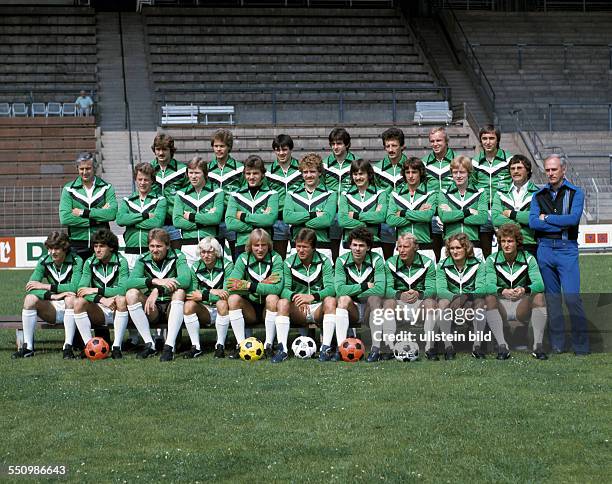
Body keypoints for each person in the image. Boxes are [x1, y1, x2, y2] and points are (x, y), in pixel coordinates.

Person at [529, 154, 589, 355]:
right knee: (553, 299)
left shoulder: (576, 193)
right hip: (544, 249)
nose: (550, 173)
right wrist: (552, 220)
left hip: (567, 249)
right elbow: (533, 222)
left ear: (564, 170)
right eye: (547, 170)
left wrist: (547, 218)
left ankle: (581, 345)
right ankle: (557, 345)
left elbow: (572, 220)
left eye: (554, 169)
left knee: (572, 298)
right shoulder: (538, 195)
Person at [13, 232, 83, 359]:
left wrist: (46, 286)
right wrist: (52, 296)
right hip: (52, 308)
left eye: (56, 248)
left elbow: (75, 287)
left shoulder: (77, 261)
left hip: (74, 308)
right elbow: (31, 287)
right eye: (50, 248)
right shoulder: (44, 261)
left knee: (70, 298)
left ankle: (67, 347)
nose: (52, 252)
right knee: (29, 299)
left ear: (65, 248)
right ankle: (28, 347)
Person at [125, 228, 191, 361]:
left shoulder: (178, 256)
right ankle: (150, 344)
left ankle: (169, 346)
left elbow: (185, 280)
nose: (155, 250)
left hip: (171, 305)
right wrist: (154, 281)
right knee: (131, 294)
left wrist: (159, 289)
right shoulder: (143, 259)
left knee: (179, 292)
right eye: (152, 246)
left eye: (159, 246)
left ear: (167, 245)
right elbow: (129, 283)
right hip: (152, 307)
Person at [484, 224, 548, 360]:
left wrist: (524, 289)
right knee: (489, 298)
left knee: (539, 296)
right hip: (501, 305)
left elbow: (540, 284)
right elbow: (488, 285)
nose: (506, 245)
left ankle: (538, 346)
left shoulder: (528, 258)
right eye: (503, 241)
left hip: (521, 304)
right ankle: (502, 346)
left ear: (517, 242)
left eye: (510, 241)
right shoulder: (491, 259)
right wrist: (503, 291)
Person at [273, 228, 336, 363]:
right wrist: (297, 297)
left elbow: (331, 289)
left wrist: (312, 297)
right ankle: (282, 349)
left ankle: (325, 348)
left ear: (313, 248)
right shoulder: (288, 262)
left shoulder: (324, 261)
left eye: (305, 247)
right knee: (282, 302)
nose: (301, 250)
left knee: (330, 301)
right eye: (298, 246)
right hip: (298, 309)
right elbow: (284, 289)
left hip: (318, 307)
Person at [375, 233, 437, 361]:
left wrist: (419, 294)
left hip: (420, 304)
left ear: (415, 247)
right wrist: (399, 295)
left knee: (431, 303)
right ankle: (389, 347)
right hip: (400, 306)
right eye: (399, 247)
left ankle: (429, 347)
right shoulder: (390, 263)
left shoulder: (428, 263)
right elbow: (386, 289)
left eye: (406, 247)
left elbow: (432, 289)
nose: (402, 250)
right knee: (388, 303)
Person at [71, 229, 129, 359]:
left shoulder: (122, 261)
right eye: (95, 246)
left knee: (121, 299)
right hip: (99, 309)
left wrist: (97, 290)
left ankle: (116, 348)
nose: (97, 250)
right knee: (78, 302)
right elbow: (81, 290)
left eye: (102, 246)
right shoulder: (89, 262)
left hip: (118, 309)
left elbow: (123, 289)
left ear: (112, 248)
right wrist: (102, 299)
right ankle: (88, 347)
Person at [225, 229, 284, 358]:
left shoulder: (276, 258)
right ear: (250, 246)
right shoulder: (243, 258)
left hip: (268, 308)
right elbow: (229, 286)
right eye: (256, 245)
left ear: (269, 245)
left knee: (273, 297)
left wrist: (248, 284)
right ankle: (240, 345)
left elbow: (277, 288)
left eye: (263, 245)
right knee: (233, 299)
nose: (260, 249)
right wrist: (262, 285)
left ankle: (268, 345)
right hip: (249, 308)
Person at [330, 228, 386, 362]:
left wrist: (353, 291)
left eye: (361, 245)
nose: (357, 249)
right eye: (354, 245)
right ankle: (341, 349)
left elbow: (380, 289)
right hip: (352, 309)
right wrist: (364, 286)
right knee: (343, 300)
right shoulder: (341, 261)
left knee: (375, 299)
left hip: (369, 308)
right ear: (349, 245)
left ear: (368, 247)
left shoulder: (377, 260)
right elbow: (339, 290)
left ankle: (375, 350)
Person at [436, 234, 487, 359]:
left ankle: (477, 346)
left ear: (466, 248)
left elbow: (482, 288)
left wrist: (466, 296)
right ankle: (448, 347)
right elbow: (440, 290)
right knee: (442, 302)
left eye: (458, 248)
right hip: (451, 305)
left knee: (480, 302)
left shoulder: (478, 264)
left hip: (469, 304)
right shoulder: (442, 265)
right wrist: (456, 298)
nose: (455, 251)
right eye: (452, 248)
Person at [59, 151, 117, 260]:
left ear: (94, 168)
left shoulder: (106, 188)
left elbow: (112, 214)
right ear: (77, 168)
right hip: (77, 243)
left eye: (88, 168)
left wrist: (82, 213)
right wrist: (97, 219)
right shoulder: (68, 189)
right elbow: (65, 218)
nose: (85, 172)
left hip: (101, 243)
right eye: (81, 169)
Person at [183, 237, 233, 359]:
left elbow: (228, 293)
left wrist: (203, 295)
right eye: (203, 252)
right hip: (204, 309)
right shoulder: (195, 267)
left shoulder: (227, 265)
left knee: (222, 303)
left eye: (210, 252)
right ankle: (196, 347)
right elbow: (191, 294)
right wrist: (211, 291)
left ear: (216, 252)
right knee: (188, 305)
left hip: (224, 309)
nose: (206, 255)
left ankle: (220, 345)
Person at [172, 156, 224, 266]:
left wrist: (191, 216)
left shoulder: (217, 192)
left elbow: (216, 218)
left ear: (205, 174)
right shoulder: (180, 194)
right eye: (190, 173)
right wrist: (205, 220)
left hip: (211, 246)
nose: (193, 176)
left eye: (197, 173)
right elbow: (177, 221)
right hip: (188, 246)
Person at [283, 153, 337, 256]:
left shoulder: (330, 194)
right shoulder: (291, 194)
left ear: (319, 172)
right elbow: (287, 217)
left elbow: (327, 220)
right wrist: (314, 215)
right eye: (305, 172)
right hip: (297, 248)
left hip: (322, 248)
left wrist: (299, 222)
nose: (308, 175)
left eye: (312, 171)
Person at [116, 162, 167, 269]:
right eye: (140, 179)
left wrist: (132, 221)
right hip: (130, 253)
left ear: (152, 181)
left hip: (151, 253)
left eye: (146, 180)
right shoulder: (127, 200)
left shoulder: (160, 200)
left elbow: (157, 222)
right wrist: (145, 216)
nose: (142, 183)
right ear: (135, 179)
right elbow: (120, 220)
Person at [225, 155, 279, 257]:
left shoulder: (272, 194)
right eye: (248, 173)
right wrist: (260, 223)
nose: (251, 177)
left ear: (262, 174)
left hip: (264, 246)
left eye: (255, 173)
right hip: (242, 245)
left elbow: (269, 220)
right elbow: (230, 223)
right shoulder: (235, 195)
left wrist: (243, 217)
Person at [472, 125, 513, 258]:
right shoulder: (475, 162)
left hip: (501, 211)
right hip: (483, 211)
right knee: (485, 253)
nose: (488, 142)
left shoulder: (509, 160)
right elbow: (472, 186)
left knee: (505, 251)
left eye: (491, 138)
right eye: (484, 138)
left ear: (498, 140)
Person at [386, 157, 438, 261]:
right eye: (407, 172)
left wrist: (403, 213)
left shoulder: (431, 193)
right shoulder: (395, 195)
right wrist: (418, 214)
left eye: (414, 172)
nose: (410, 176)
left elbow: (427, 217)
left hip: (424, 247)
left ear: (420, 173)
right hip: (401, 248)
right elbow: (390, 220)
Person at [438, 155, 487, 259]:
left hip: (474, 245)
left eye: (462, 172)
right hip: (450, 246)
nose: (458, 175)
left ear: (469, 173)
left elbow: (482, 218)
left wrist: (453, 214)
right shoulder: (443, 193)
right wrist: (468, 212)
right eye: (455, 172)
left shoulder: (480, 193)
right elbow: (444, 217)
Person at [492, 154, 539, 256]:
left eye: (519, 168)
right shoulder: (500, 193)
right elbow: (496, 219)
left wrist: (511, 214)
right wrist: (522, 222)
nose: (516, 171)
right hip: (505, 244)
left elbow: (534, 219)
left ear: (528, 170)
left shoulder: (538, 193)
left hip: (529, 243)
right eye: (512, 168)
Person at [337, 159, 387, 254]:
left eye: (361, 174)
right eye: (355, 174)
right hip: (348, 247)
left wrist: (356, 216)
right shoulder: (345, 195)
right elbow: (342, 220)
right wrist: (369, 223)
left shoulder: (381, 193)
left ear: (369, 174)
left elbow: (381, 217)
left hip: (374, 246)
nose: (358, 177)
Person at [422, 126, 457, 260]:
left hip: (452, 212)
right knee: (435, 254)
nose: (435, 144)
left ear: (446, 141)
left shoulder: (458, 161)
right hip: (432, 213)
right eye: (432, 141)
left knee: (453, 251)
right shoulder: (424, 163)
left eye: (439, 140)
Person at [373, 128, 408, 258]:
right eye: (387, 146)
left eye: (394, 145)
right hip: (385, 221)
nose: (390, 149)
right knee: (387, 257)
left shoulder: (411, 167)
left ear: (402, 146)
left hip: (404, 217)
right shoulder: (376, 169)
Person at [323, 128, 357, 260]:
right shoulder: (324, 165)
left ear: (347, 144)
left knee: (352, 246)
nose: (335, 147)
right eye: (333, 144)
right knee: (333, 247)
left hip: (351, 210)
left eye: (339, 143)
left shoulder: (357, 163)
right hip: (331, 212)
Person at [266, 134, 302, 258]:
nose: (281, 153)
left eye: (284, 149)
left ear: (291, 149)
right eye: (278, 150)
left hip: (297, 220)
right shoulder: (268, 172)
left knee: (298, 258)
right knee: (278, 259)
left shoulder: (301, 169)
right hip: (278, 221)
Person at [149, 133, 188, 248]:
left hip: (175, 224)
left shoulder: (182, 170)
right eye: (158, 149)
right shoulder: (148, 169)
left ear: (171, 150)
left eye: (164, 149)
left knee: (176, 258)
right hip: (154, 223)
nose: (161, 153)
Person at [207, 128, 242, 250]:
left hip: (233, 218)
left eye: (222, 146)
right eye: (216, 146)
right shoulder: (207, 169)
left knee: (236, 255)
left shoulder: (240, 168)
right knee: (213, 256)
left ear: (229, 147)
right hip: (214, 220)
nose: (218, 149)